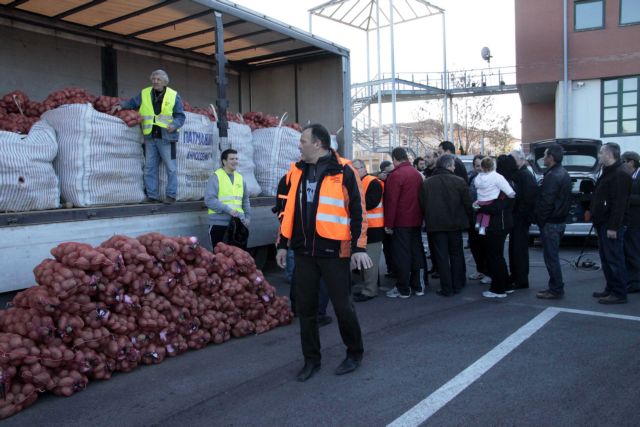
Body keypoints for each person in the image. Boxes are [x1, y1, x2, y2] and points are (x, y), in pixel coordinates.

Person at [275, 123, 372, 382]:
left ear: (317, 144)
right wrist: (283, 244)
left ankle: (354, 353)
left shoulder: (344, 170)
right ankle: (311, 360)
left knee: (343, 307)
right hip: (304, 251)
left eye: (303, 141)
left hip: (334, 251)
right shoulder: (296, 171)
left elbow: (359, 212)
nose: (299, 146)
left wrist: (358, 247)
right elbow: (287, 211)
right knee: (306, 310)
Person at [113, 69, 185, 203]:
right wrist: (121, 106)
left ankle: (171, 195)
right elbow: (132, 103)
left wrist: (174, 125)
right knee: (149, 168)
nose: (155, 81)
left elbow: (180, 116)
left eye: (158, 79)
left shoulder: (174, 95)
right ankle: (152, 196)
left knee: (171, 168)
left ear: (165, 81)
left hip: (166, 138)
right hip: (150, 137)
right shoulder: (145, 93)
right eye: (153, 79)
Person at [274, 173, 332, 326]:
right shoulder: (325, 177)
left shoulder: (288, 177)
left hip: (297, 233)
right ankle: (318, 314)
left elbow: (281, 207)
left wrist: (284, 237)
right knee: (322, 275)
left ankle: (298, 308)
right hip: (322, 234)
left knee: (300, 271)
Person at [420, 154, 472, 296]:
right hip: (455, 224)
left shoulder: (427, 183)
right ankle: (458, 283)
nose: (455, 167)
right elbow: (467, 203)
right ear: (449, 166)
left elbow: (423, 204)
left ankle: (446, 287)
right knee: (456, 254)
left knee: (441, 256)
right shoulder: (459, 181)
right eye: (453, 165)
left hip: (435, 225)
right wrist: (470, 220)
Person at [591, 143, 632, 304]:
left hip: (611, 225)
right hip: (603, 223)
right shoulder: (608, 171)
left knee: (614, 258)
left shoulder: (620, 174)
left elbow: (619, 204)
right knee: (607, 258)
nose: (599, 155)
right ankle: (610, 287)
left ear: (609, 154)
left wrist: (613, 227)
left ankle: (619, 292)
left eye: (601, 153)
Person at [384, 147, 426, 298]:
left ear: (394, 158)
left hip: (401, 221)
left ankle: (403, 288)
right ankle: (419, 286)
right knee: (417, 252)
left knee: (402, 255)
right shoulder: (417, 174)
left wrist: (389, 224)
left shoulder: (396, 175)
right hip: (416, 219)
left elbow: (391, 202)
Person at [534, 144, 572, 300]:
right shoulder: (561, 173)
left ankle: (556, 289)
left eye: (545, 155)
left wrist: (541, 220)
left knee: (551, 257)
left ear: (551, 157)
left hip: (551, 222)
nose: (543, 158)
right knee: (552, 256)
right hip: (557, 221)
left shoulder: (554, 176)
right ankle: (555, 287)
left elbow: (547, 202)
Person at [477, 155, 516, 298]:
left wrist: (479, 208)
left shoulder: (503, 185)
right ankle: (506, 284)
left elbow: (496, 207)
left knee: (494, 256)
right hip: (502, 223)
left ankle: (498, 289)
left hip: (497, 224)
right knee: (498, 256)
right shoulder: (508, 182)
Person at [351, 159, 385, 302]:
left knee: (370, 260)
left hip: (373, 228)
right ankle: (369, 287)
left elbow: (371, 202)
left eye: (356, 169)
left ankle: (370, 290)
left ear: (364, 168)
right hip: (365, 227)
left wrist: (354, 201)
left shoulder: (373, 182)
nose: (354, 172)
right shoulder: (359, 182)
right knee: (366, 260)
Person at [204, 149, 250, 249]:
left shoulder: (240, 178)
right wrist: (228, 210)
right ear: (224, 161)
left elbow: (245, 199)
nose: (235, 161)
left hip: (239, 224)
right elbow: (209, 200)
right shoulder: (216, 177)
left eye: (236, 158)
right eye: (232, 159)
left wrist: (247, 218)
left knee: (238, 258)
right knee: (220, 259)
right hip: (219, 224)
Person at [509, 149, 538, 290]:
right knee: (514, 249)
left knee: (519, 250)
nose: (511, 162)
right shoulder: (521, 174)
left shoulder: (525, 175)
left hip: (520, 219)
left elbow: (528, 199)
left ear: (521, 159)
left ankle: (520, 279)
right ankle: (516, 276)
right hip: (517, 218)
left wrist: (519, 215)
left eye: (513, 159)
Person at [473, 157, 516, 235]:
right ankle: (483, 227)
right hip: (494, 216)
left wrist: (477, 207)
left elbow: (475, 187)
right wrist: (512, 194)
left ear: (482, 167)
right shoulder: (497, 177)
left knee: (480, 211)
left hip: (480, 200)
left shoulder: (478, 177)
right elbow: (507, 190)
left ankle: (477, 223)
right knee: (486, 214)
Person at [467, 155, 490, 283]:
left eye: (482, 165)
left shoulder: (491, 179)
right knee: (475, 246)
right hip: (473, 218)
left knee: (485, 246)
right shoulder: (471, 177)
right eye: (477, 166)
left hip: (485, 218)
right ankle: (480, 270)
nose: (480, 168)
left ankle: (488, 272)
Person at [622, 151, 640, 294]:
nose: (622, 165)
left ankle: (635, 283)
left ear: (631, 162)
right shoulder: (630, 176)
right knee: (629, 251)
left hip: (636, 221)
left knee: (634, 251)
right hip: (629, 221)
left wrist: (626, 198)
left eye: (624, 162)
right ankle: (630, 279)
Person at [378, 160, 397, 281]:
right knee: (388, 247)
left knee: (391, 247)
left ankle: (394, 269)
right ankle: (392, 269)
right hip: (383, 219)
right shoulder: (380, 181)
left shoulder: (389, 179)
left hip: (387, 219)